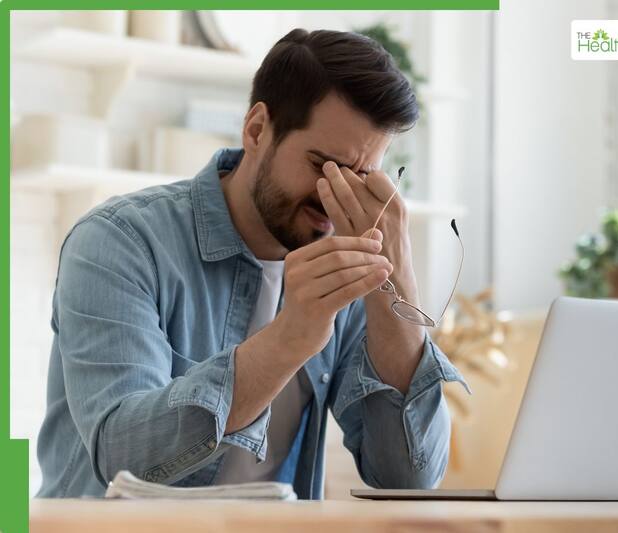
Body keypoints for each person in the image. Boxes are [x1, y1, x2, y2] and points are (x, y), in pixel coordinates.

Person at [36, 28, 467, 499]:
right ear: (257, 129)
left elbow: (409, 480)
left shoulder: (351, 268)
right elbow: (122, 458)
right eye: (321, 165)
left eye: (361, 176)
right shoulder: (119, 242)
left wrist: (397, 284)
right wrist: (291, 337)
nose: (334, 196)